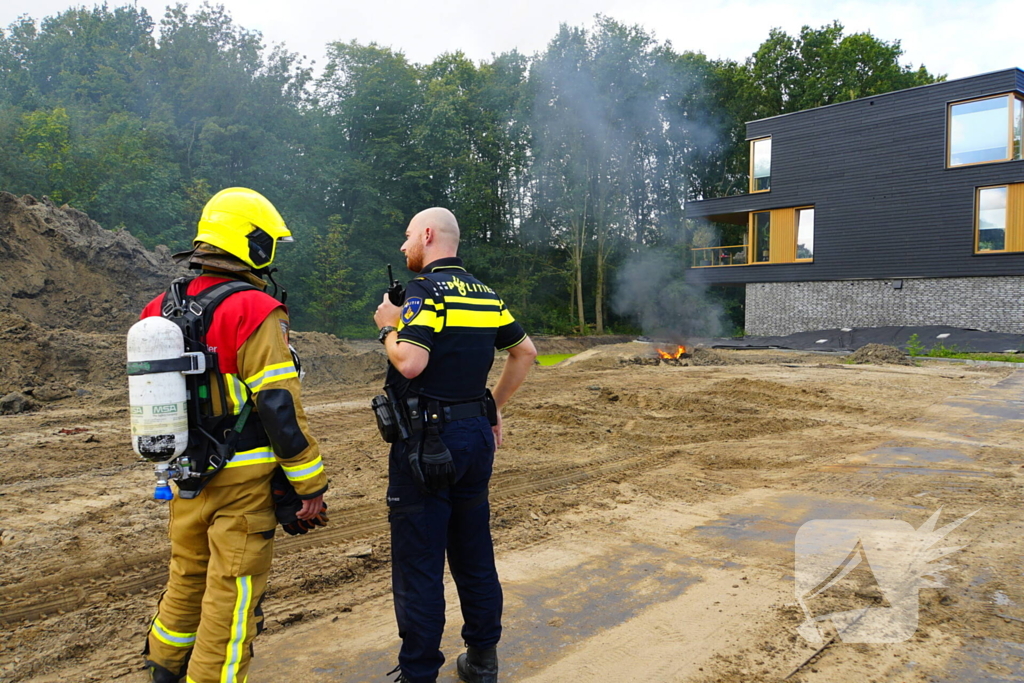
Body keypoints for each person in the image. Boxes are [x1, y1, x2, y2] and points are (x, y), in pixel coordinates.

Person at [140, 187, 328, 683]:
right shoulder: (255, 310)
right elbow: (278, 404)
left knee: (186, 577)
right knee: (233, 593)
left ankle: (163, 669)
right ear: (254, 244)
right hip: (242, 482)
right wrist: (309, 486)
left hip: (183, 474)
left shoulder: (158, 309)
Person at [374, 207, 537, 683]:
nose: (404, 247)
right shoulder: (487, 295)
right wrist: (494, 408)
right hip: (473, 438)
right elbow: (524, 352)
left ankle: (419, 672)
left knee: (420, 561)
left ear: (427, 235)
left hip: (426, 443)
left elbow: (409, 364)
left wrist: (389, 325)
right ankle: (483, 661)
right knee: (472, 550)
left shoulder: (425, 293)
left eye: (407, 237)